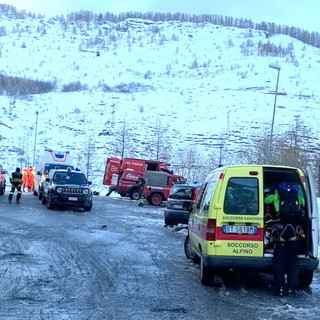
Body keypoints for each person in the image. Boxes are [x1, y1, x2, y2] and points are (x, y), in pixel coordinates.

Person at [265, 183, 306, 296]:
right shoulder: (299, 198)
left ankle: (279, 289)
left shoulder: (276, 197)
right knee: (293, 264)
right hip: (294, 238)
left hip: (281, 237)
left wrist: (270, 195)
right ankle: (292, 288)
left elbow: (265, 201)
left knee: (279, 264)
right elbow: (304, 205)